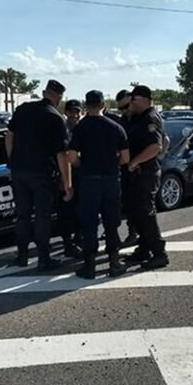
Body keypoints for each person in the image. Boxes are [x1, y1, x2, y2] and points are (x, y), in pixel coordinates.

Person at [5, 79, 72, 271]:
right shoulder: (55, 117)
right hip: (42, 174)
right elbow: (62, 154)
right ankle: (44, 258)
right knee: (42, 216)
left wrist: (12, 160)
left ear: (44, 93)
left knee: (23, 215)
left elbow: (9, 135)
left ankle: (22, 256)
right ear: (57, 97)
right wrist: (67, 183)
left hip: (19, 171)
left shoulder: (23, 109)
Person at [67, 90, 129, 279]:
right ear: (104, 105)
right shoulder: (116, 127)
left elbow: (71, 157)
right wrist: (111, 164)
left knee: (89, 224)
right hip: (110, 180)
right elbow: (125, 158)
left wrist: (83, 165)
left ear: (86, 106)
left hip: (88, 181)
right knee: (111, 223)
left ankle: (89, 266)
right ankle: (114, 263)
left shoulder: (79, 128)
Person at [124, 85, 168, 270]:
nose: (130, 103)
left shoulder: (150, 118)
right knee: (137, 213)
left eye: (134, 99)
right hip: (137, 175)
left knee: (146, 214)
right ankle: (143, 249)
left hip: (146, 173)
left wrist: (134, 162)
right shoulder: (137, 118)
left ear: (144, 100)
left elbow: (155, 147)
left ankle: (159, 253)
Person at [58, 99, 83, 257]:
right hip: (65, 174)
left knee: (81, 209)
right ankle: (67, 243)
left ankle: (79, 238)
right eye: (71, 111)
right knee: (65, 211)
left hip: (80, 174)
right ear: (66, 112)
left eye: (77, 111)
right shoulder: (61, 129)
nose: (74, 115)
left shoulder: (83, 128)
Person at [115, 89, 139, 248]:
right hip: (124, 169)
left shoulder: (144, 118)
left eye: (126, 106)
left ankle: (140, 236)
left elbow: (162, 143)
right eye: (121, 108)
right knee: (128, 203)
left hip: (140, 169)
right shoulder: (121, 122)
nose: (124, 111)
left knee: (141, 205)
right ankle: (132, 232)